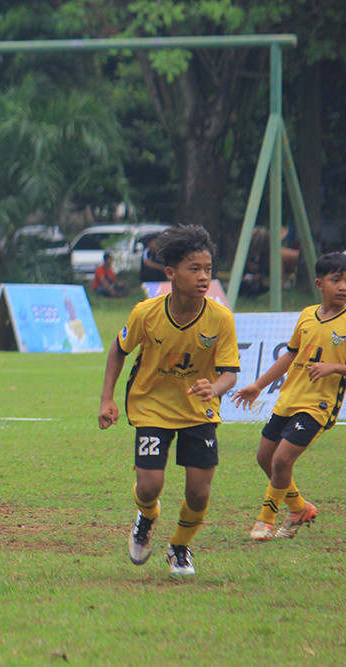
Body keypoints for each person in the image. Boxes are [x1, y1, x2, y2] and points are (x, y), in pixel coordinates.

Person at [98, 224, 240, 576]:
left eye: (208, 269)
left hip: (198, 410)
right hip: (152, 405)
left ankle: (179, 547)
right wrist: (106, 400)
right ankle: (146, 517)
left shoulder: (220, 318)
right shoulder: (145, 312)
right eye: (194, 269)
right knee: (149, 486)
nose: (204, 277)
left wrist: (215, 388)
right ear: (171, 273)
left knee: (198, 494)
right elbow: (119, 350)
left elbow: (230, 374)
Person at [232, 252, 346, 541]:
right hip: (289, 399)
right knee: (264, 458)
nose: (343, 286)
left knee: (282, 460)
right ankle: (299, 508)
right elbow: (291, 354)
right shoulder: (308, 314)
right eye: (337, 280)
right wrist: (258, 385)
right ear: (320, 284)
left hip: (319, 405)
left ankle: (265, 521)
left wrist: (334, 367)